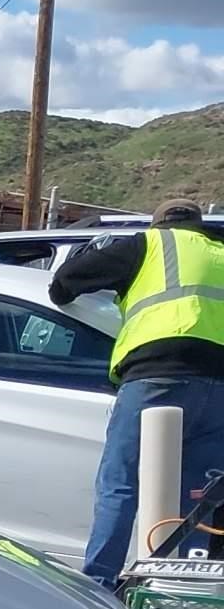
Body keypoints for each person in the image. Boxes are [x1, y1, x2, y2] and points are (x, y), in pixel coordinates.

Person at [51, 197, 224, 585]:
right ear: (199, 225)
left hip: (157, 376)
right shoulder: (220, 252)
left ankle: (100, 584)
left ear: (158, 224)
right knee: (198, 495)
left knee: (122, 483)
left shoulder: (146, 245)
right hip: (219, 389)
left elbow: (63, 286)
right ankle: (181, 594)